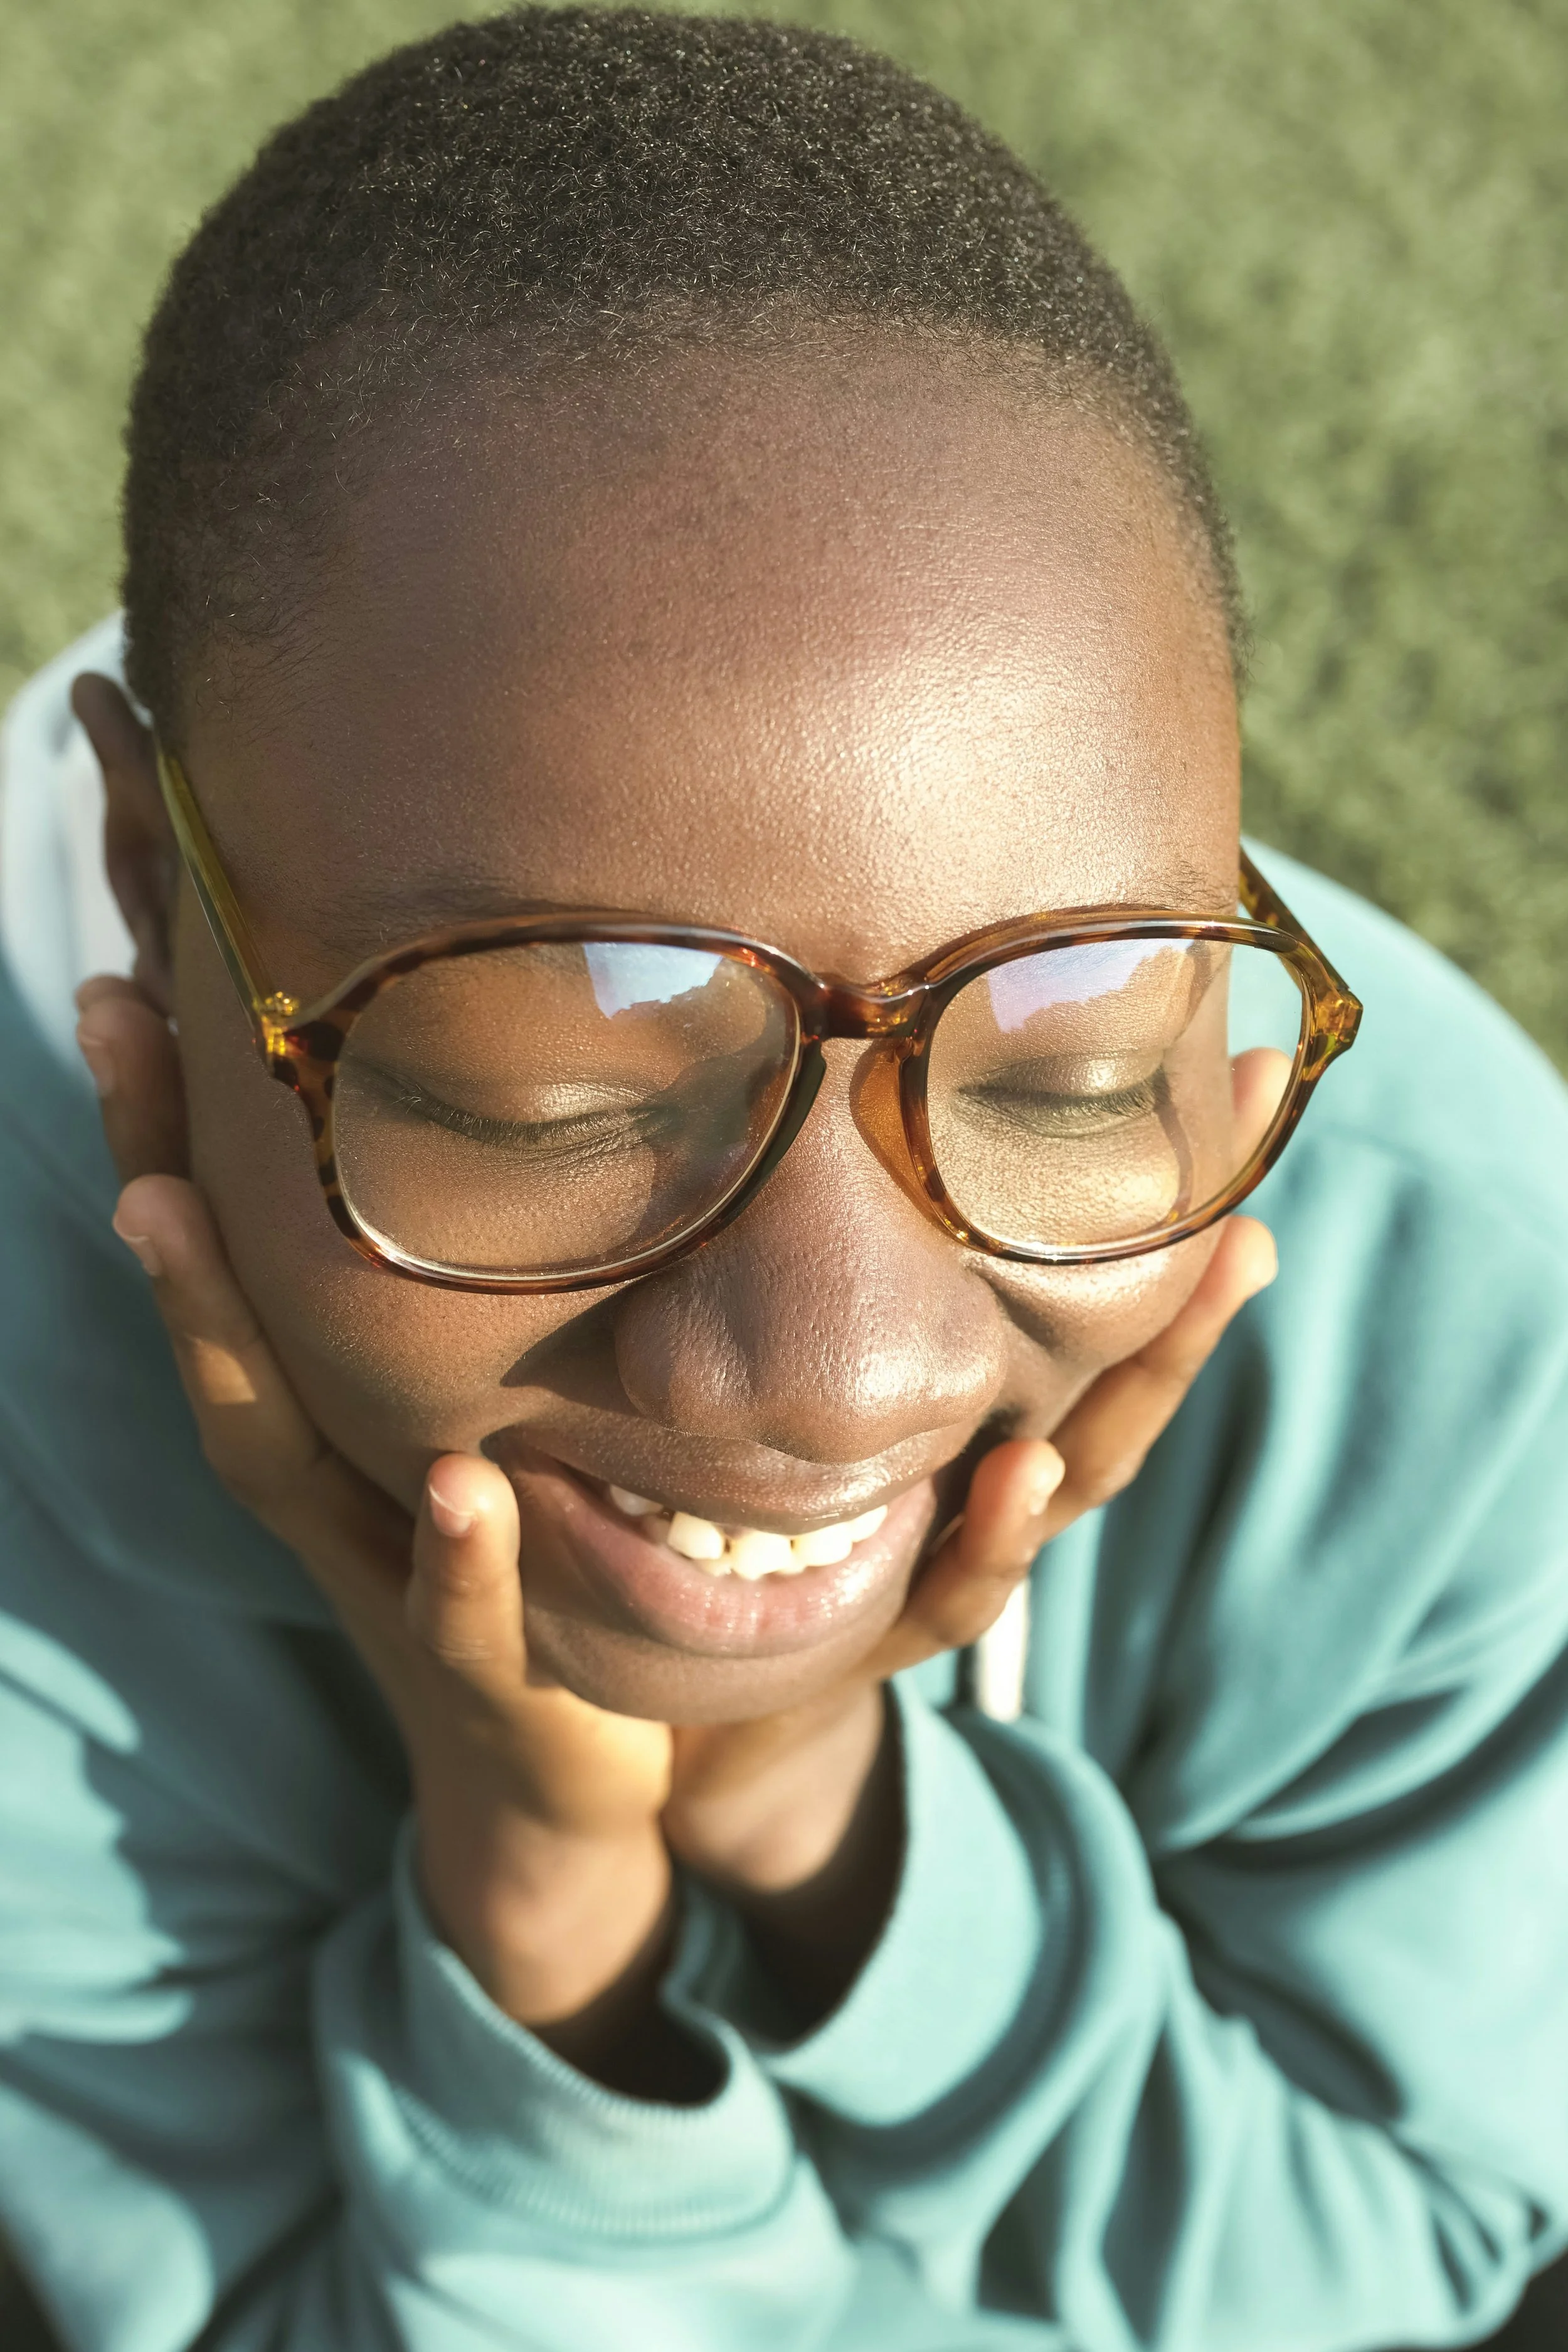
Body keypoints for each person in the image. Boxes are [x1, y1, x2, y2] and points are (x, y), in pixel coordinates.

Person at [1, 10, 1565, 2349]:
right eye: (560, 1086)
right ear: (145, 874)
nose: (839, 1375)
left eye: (1064, 1056)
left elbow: (1405, 2255)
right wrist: (542, 1905)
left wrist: (799, 1793)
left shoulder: (1456, 1301)